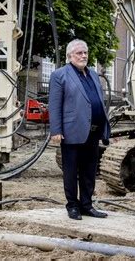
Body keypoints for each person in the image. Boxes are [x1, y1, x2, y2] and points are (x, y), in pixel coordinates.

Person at [49, 39, 111, 220]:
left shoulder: (92, 74)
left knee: (89, 171)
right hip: (71, 131)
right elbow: (54, 105)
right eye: (79, 53)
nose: (83, 56)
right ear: (70, 56)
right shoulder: (60, 75)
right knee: (71, 171)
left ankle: (86, 205)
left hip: (93, 131)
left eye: (85, 52)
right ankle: (72, 206)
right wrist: (56, 130)